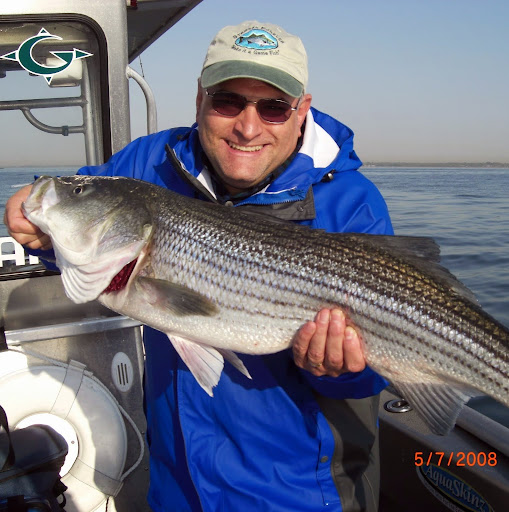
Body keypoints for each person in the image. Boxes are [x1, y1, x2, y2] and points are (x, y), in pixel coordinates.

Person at [5, 21, 393, 512]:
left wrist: (339, 370)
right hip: (176, 487)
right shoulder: (150, 164)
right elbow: (83, 213)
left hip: (297, 494)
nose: (248, 128)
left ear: (302, 112)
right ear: (199, 98)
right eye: (228, 101)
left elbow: (372, 375)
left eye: (273, 107)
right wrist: (31, 208)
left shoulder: (352, 203)